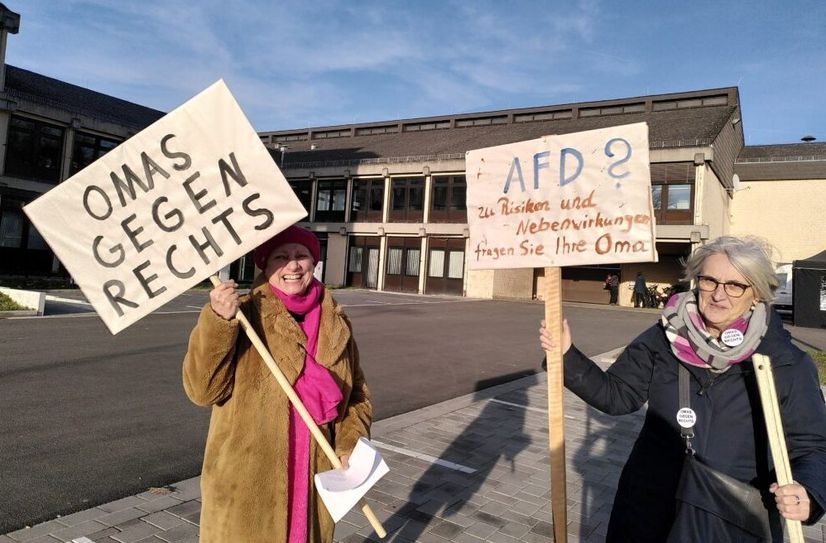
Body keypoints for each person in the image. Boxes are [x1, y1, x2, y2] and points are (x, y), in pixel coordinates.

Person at [540, 236, 826, 542]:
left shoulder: (784, 363)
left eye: (734, 285)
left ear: (756, 294)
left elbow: (813, 446)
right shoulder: (664, 337)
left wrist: (807, 490)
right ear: (695, 281)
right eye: (709, 281)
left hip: (730, 520)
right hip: (649, 510)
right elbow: (618, 395)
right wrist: (566, 356)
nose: (718, 294)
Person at [183, 225, 372, 543]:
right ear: (265, 265)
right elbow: (202, 391)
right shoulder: (242, 316)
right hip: (248, 486)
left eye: (302, 255)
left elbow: (357, 396)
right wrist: (219, 322)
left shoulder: (337, 322)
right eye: (281, 257)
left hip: (314, 481)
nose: (293, 265)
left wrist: (349, 446)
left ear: (314, 262)